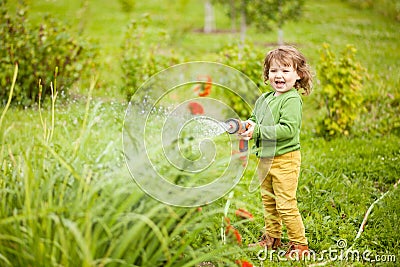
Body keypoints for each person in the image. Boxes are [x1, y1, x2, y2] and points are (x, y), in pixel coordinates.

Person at [241, 45, 312, 260]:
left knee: (285, 203)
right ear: (267, 74)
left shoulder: (291, 99)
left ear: (298, 75)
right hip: (265, 159)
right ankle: (272, 238)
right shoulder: (264, 99)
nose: (278, 75)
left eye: (285, 70)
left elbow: (288, 130)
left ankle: (300, 245)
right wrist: (247, 125)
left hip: (285, 160)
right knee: (269, 201)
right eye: (273, 71)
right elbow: (255, 119)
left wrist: (259, 130)